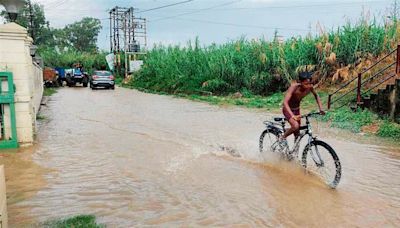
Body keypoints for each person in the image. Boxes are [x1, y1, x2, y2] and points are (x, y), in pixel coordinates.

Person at [280, 68, 325, 147]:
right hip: (288, 110)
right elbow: (285, 102)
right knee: (296, 126)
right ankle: (282, 137)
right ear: (300, 82)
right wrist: (292, 116)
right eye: (306, 84)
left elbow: (316, 95)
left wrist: (321, 108)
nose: (308, 86)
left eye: (309, 83)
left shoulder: (310, 87)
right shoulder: (293, 88)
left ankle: (294, 155)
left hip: (297, 110)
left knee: (297, 135)